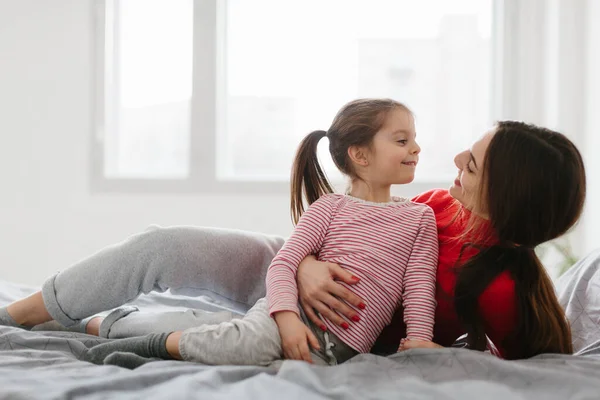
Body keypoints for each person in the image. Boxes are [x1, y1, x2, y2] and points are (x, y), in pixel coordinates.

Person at [0, 116, 586, 363]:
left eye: (474, 164)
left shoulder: (503, 287)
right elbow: (352, 224)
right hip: (296, 262)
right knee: (166, 243)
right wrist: (300, 263)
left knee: (225, 338)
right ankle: (19, 314)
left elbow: (519, 365)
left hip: (329, 320)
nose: (455, 156)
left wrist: (435, 351)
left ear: (505, 198)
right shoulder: (438, 204)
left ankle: (109, 323)